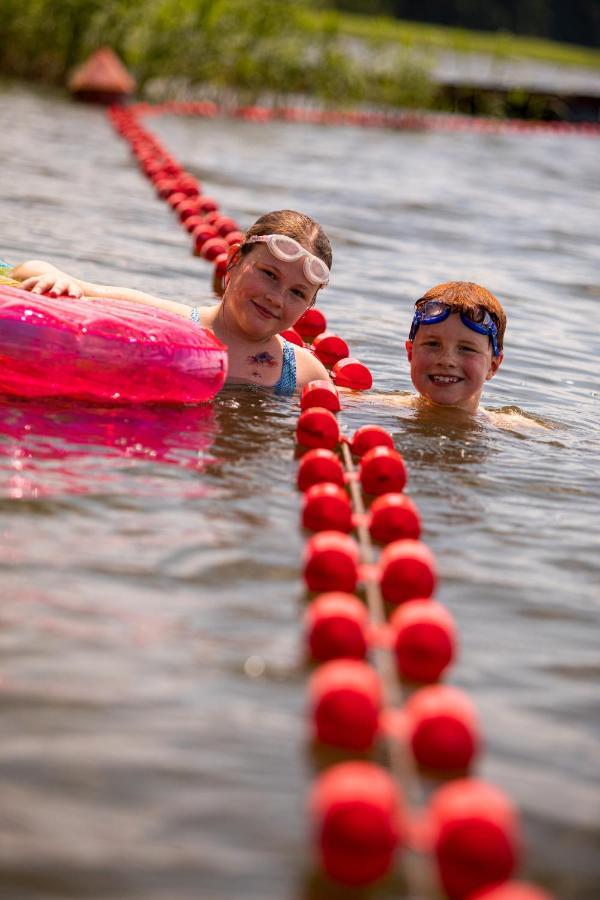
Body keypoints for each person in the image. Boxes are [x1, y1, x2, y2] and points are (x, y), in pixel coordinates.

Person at [9, 209, 331, 395]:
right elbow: (29, 269)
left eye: (297, 293)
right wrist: (59, 281)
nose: (276, 297)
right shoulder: (167, 320)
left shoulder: (302, 371)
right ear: (234, 259)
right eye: (269, 274)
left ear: (309, 307)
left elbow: (347, 407)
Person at [403, 281, 505, 416]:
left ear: (492, 366)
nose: (446, 360)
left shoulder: (514, 430)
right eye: (433, 344)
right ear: (411, 353)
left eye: (466, 348)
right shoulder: (374, 407)